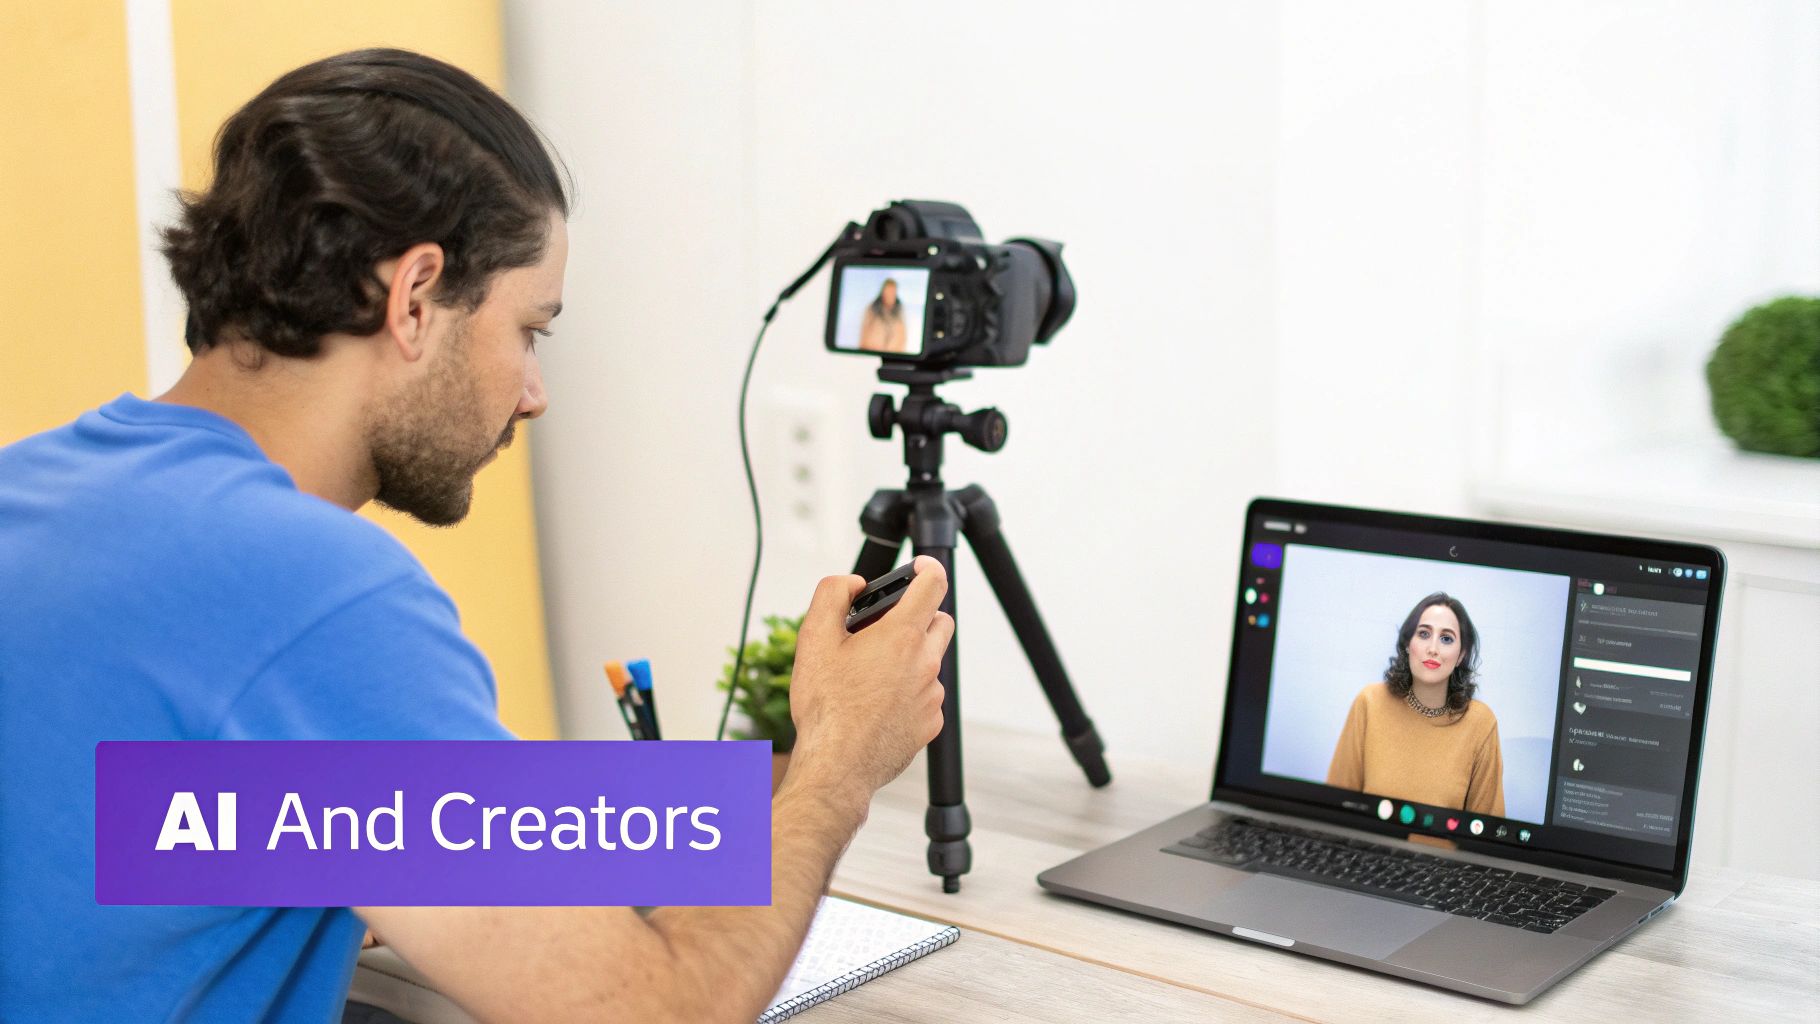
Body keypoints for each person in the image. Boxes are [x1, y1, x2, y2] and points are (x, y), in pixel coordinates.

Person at [0, 49, 952, 1023]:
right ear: (415, 298)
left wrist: (772, 777)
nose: (533, 393)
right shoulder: (310, 588)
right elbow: (656, 1010)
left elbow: (163, 824)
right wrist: (837, 765)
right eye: (530, 331)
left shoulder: (38, 488)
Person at [1326, 592, 1505, 816]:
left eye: (1446, 638)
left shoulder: (1481, 723)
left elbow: (1487, 831)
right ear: (1409, 644)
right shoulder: (1369, 702)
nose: (1433, 648)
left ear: (1461, 656)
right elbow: (1336, 808)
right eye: (1423, 634)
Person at [857, 278, 908, 352]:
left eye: (892, 292)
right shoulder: (872, 309)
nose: (889, 294)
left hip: (892, 355)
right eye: (887, 291)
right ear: (883, 292)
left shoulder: (899, 313)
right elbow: (864, 334)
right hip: (873, 352)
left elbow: (902, 337)